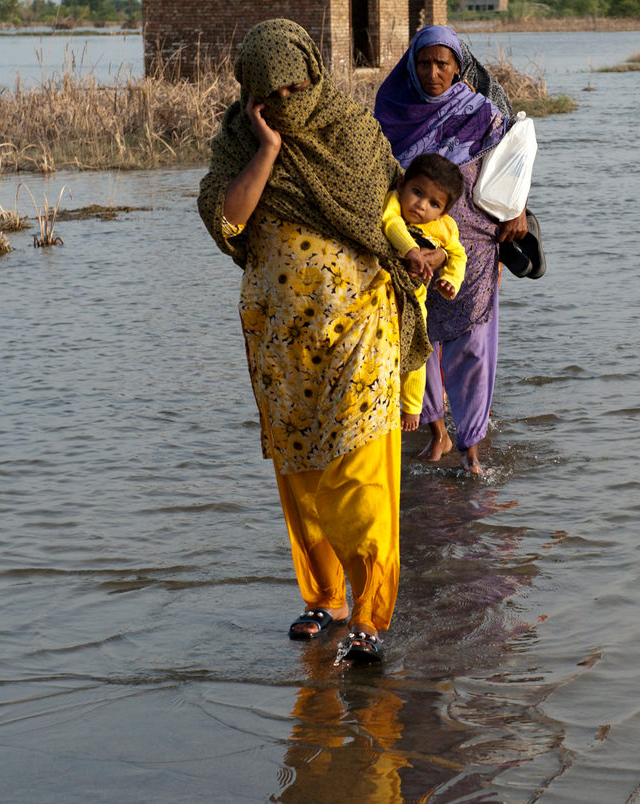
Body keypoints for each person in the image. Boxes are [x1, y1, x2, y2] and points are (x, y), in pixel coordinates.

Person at [197, 19, 436, 663]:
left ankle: (372, 614)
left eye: (297, 85)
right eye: (271, 93)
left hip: (360, 331)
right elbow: (229, 220)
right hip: (280, 346)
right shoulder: (236, 142)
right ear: (250, 92)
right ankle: (325, 597)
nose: (287, 100)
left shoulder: (352, 131)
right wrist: (267, 149)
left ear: (314, 73)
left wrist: (427, 257)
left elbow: (397, 214)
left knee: (358, 476)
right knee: (302, 475)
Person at [374, 26, 530, 476]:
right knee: (414, 340)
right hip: (410, 249)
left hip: (474, 250)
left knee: (473, 347)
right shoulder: (389, 111)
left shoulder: (482, 113)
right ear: (411, 64)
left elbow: (509, 173)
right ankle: (436, 431)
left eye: (443, 64)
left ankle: (472, 447)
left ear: (459, 69)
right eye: (424, 63)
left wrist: (519, 209)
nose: (432, 72)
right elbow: (377, 181)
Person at [380, 152, 468, 434]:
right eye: (416, 192)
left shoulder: (444, 227)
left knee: (416, 354)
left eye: (433, 203)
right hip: (382, 294)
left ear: (443, 212)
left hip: (416, 301)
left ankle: (412, 407)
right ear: (402, 185)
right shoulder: (392, 203)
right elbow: (390, 223)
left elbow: (458, 255)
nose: (421, 205)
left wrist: (451, 281)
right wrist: (411, 251)